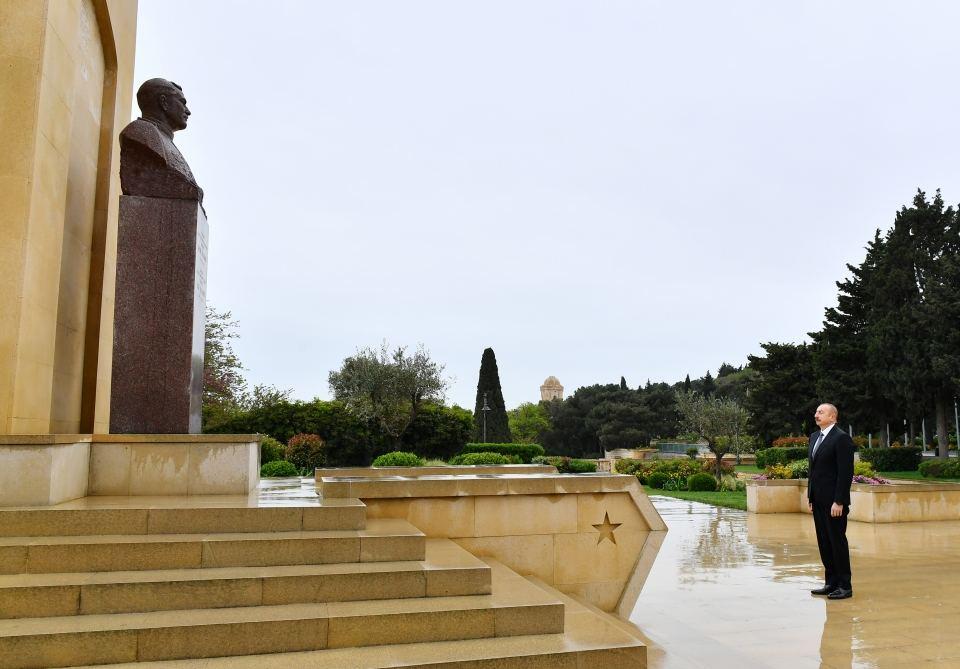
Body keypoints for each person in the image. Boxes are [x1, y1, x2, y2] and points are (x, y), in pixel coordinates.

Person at [119, 78, 203, 203]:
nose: (188, 111)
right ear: (164, 102)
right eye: (182, 102)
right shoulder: (140, 132)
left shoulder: (165, 139)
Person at [807, 403, 854, 599]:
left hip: (834, 503)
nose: (816, 415)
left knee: (837, 543)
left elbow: (845, 473)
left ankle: (845, 586)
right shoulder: (814, 437)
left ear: (833, 417)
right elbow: (813, 470)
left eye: (821, 412)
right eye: (816, 412)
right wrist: (811, 496)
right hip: (818, 501)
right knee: (824, 543)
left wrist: (839, 501)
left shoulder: (841, 438)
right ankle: (831, 582)